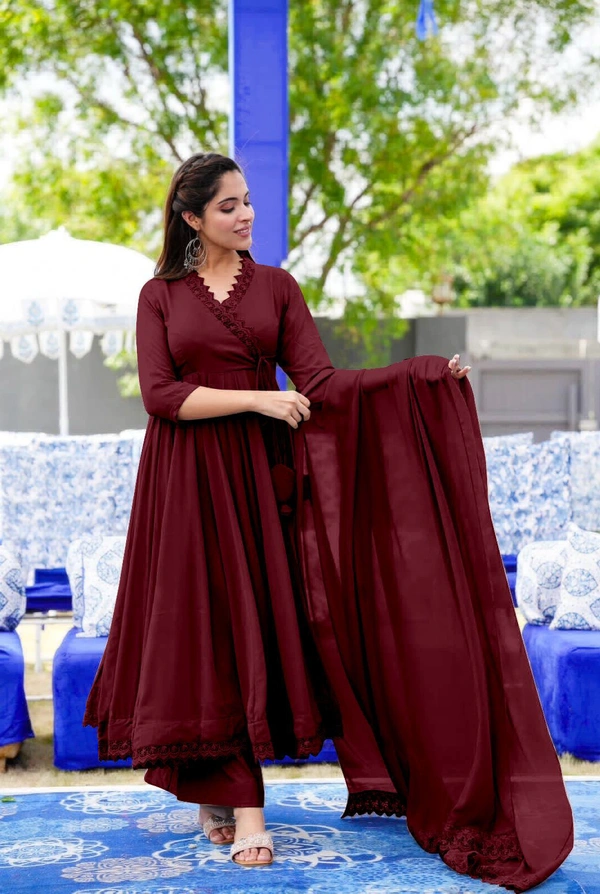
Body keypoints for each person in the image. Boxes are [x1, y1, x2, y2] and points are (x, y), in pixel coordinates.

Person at [84, 153, 572, 887]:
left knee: (250, 627)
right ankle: (236, 802)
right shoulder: (160, 296)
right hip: (184, 484)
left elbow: (320, 382)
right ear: (191, 218)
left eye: (248, 201)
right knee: (202, 629)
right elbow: (160, 394)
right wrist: (258, 398)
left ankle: (233, 798)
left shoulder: (278, 288)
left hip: (260, 483)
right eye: (228, 206)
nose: (246, 215)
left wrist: (418, 377)